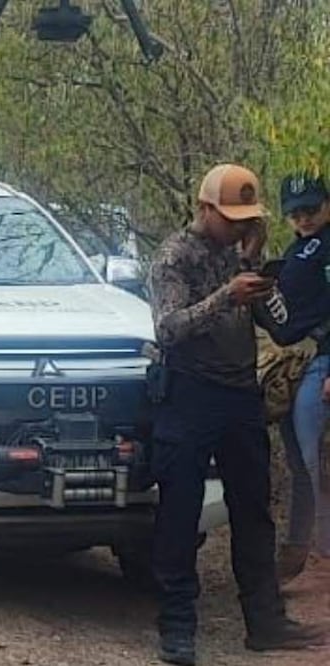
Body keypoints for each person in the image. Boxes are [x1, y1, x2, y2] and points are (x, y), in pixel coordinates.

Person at [147, 163, 327, 665]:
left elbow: (283, 326)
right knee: (180, 514)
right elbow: (168, 328)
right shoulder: (174, 257)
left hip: (239, 394)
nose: (239, 226)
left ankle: (265, 622)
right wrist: (226, 294)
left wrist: (262, 272)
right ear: (206, 209)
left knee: (254, 511)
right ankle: (178, 627)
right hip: (190, 394)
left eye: (246, 218)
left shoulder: (239, 255)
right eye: (232, 218)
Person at [272, 173, 330, 583]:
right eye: (295, 213)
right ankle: (302, 547)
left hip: (321, 360)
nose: (303, 218)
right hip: (292, 360)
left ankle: (324, 550)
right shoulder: (298, 249)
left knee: (317, 460)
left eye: (310, 209)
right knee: (298, 460)